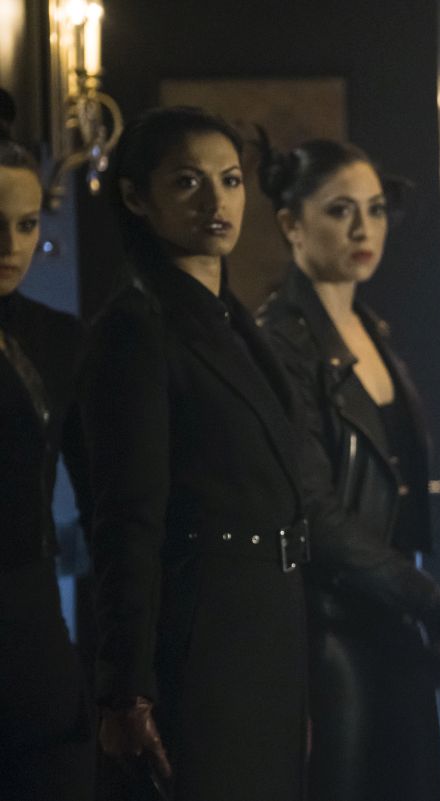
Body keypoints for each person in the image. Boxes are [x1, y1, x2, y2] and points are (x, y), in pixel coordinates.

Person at [79, 106, 314, 800]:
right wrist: (126, 688)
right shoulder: (137, 325)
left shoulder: (233, 319)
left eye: (230, 180)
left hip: (270, 625)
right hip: (202, 632)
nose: (216, 201)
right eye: (187, 182)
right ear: (136, 198)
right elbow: (126, 517)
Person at [256, 136, 440, 801]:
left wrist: (421, 606)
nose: (364, 229)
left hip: (392, 620)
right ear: (292, 224)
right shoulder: (281, 340)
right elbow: (315, 512)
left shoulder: (370, 329)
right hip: (330, 627)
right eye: (340, 210)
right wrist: (431, 601)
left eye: (376, 209)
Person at [0, 90, 94, 801]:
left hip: (29, 613)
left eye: (27, 224)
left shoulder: (55, 337)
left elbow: (105, 492)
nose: (11, 247)